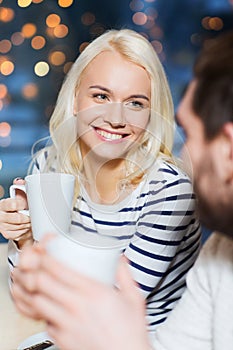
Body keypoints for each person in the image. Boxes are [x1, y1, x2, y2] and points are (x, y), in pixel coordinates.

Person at [1, 29, 200, 332]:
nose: (116, 118)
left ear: (151, 113)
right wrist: (24, 239)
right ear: (75, 99)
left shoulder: (170, 193)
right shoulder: (49, 164)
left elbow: (109, 309)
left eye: (135, 103)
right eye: (101, 96)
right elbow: (27, 293)